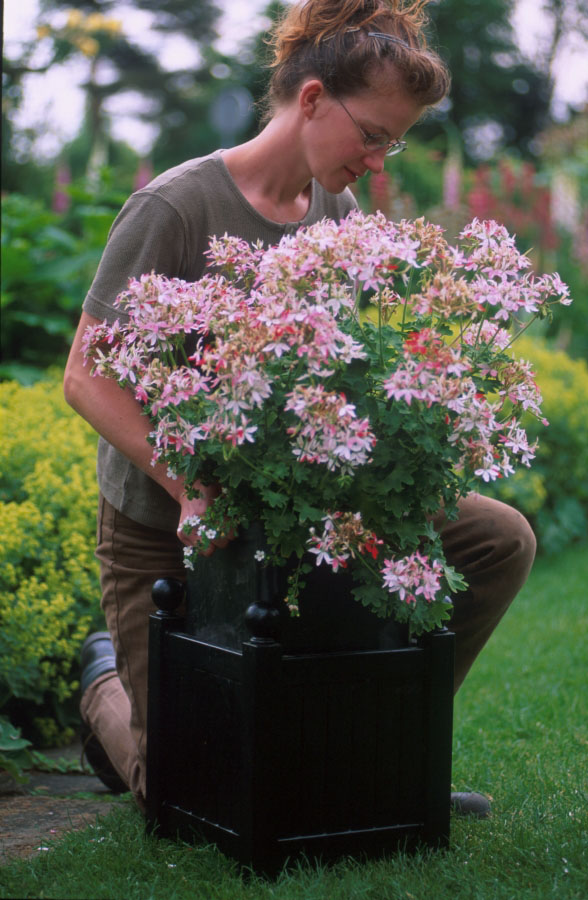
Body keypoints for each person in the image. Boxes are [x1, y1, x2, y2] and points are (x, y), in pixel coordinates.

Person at [64, 0, 536, 817]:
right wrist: (191, 490)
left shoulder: (336, 216)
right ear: (312, 99)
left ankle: (391, 746)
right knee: (185, 798)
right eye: (373, 134)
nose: (381, 160)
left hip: (299, 514)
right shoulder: (176, 207)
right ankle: (107, 687)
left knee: (498, 537)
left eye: (394, 142)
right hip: (165, 528)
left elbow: (347, 372)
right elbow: (85, 375)